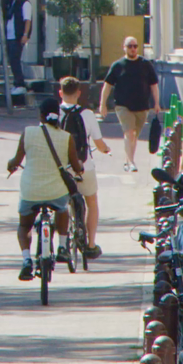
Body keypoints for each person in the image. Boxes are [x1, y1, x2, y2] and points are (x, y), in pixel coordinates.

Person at [7, 95, 82, 280]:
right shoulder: (66, 137)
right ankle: (62, 246)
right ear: (58, 116)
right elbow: (76, 166)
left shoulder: (28, 132)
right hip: (56, 192)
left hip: (30, 191)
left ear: (40, 115)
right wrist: (80, 168)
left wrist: (11, 165)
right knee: (62, 208)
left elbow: (16, 160)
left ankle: (26, 259)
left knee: (24, 225)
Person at [58, 76, 109, 257]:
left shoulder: (54, 113)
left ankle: (62, 243)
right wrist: (106, 149)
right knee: (91, 201)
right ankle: (91, 244)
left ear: (60, 93)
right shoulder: (87, 114)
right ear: (79, 93)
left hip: (61, 169)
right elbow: (98, 143)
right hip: (84, 166)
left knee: (59, 203)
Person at [98, 36, 159, 172]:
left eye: (135, 46)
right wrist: (102, 104)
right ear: (124, 48)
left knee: (134, 136)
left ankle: (128, 160)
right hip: (123, 105)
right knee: (129, 133)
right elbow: (107, 86)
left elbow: (154, 85)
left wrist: (157, 103)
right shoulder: (118, 65)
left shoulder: (146, 64)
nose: (133, 49)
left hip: (142, 106)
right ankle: (131, 162)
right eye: (130, 46)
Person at [3, 0, 32, 106]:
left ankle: (20, 83)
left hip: (17, 36)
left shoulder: (24, 4)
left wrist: (25, 34)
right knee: (12, 59)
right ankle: (16, 82)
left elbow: (27, 20)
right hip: (10, 36)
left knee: (15, 59)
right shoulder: (11, 4)